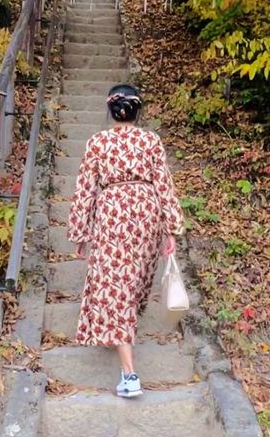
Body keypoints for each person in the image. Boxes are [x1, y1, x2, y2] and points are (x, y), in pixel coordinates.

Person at [68, 83, 185, 398]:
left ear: (111, 110)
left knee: (115, 283)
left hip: (112, 213)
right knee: (131, 283)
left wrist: (80, 233)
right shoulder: (150, 141)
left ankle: (130, 375)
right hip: (146, 213)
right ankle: (124, 352)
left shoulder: (98, 142)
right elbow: (164, 183)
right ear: (137, 110)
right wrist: (169, 228)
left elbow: (85, 190)